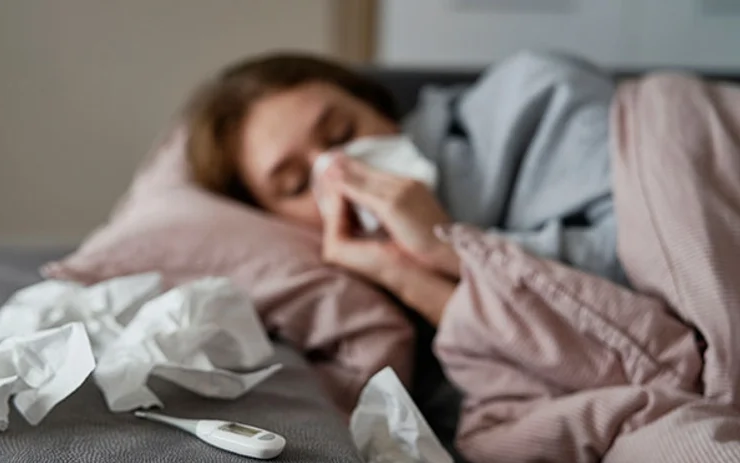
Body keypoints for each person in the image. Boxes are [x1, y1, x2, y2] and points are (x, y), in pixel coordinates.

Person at [184, 51, 621, 326]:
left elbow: (653, 257)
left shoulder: (532, 94)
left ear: (381, 112)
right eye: (296, 184)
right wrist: (403, 272)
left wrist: (448, 246)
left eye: (340, 132)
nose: (338, 169)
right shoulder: (357, 300)